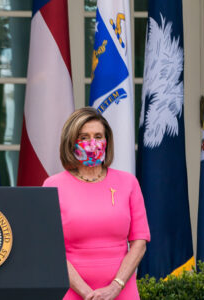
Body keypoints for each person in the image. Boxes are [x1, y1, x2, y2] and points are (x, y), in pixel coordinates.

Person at [43, 107, 150, 300]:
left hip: (122, 290)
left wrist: (115, 287)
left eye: (98, 136)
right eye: (84, 137)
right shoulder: (53, 186)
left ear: (107, 141)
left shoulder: (128, 183)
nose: (92, 143)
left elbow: (139, 242)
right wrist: (86, 293)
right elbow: (51, 248)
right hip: (71, 291)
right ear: (71, 142)